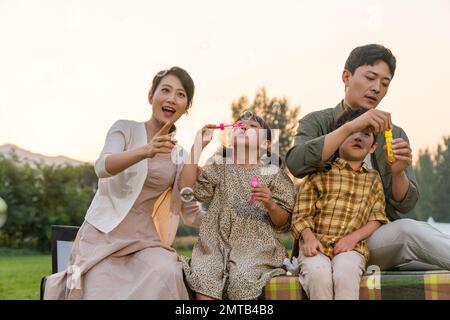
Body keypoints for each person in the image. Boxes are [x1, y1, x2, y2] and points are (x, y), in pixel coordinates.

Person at [43, 66, 204, 299]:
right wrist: (146, 150)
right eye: (166, 90)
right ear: (151, 96)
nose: (171, 98)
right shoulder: (124, 129)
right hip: (100, 237)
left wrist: (231, 221)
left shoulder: (179, 156)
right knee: (98, 291)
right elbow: (102, 166)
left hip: (144, 241)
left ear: (185, 107)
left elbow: (189, 213)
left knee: (169, 273)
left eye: (180, 94)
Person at [286, 44, 450, 271]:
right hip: (322, 243)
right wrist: (349, 127)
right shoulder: (317, 122)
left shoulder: (394, 133)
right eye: (370, 78)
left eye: (385, 83)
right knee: (409, 233)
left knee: (425, 247)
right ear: (346, 77)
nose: (376, 88)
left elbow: (406, 204)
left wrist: (398, 172)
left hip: (372, 241)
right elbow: (295, 164)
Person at [179, 112, 296, 300]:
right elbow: (187, 186)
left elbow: (284, 222)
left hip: (256, 246)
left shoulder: (273, 173)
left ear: (265, 144)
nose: (244, 127)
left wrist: (271, 204)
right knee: (204, 278)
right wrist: (197, 147)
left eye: (253, 127)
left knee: (242, 280)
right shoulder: (220, 165)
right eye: (241, 124)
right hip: (214, 244)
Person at [292, 107, 389, 299]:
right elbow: (301, 212)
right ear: (337, 139)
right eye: (351, 131)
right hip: (316, 246)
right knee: (319, 275)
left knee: (346, 274)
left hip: (351, 249)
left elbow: (377, 217)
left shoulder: (373, 179)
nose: (358, 137)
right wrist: (309, 238)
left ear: (372, 147)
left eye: (366, 134)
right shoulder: (320, 172)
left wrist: (353, 238)